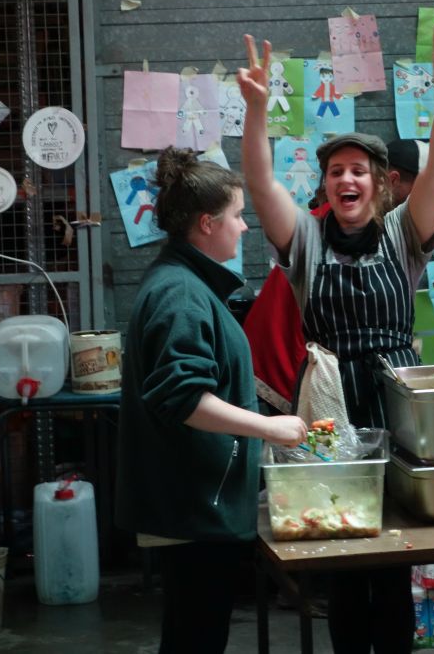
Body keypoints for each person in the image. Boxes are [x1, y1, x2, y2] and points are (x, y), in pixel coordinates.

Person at [239, 23, 434, 653]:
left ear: (381, 182)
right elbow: (260, 186)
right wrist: (258, 112)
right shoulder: (305, 241)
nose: (348, 180)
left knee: (392, 561)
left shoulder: (402, 236)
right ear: (326, 184)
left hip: (397, 406)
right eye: (337, 170)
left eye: (359, 171)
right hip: (329, 410)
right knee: (341, 559)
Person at [115, 147, 308, 654]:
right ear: (206, 223)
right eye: (238, 216)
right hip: (192, 506)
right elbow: (183, 399)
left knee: (194, 634)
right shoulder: (180, 294)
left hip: (199, 502)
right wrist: (272, 428)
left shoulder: (188, 284)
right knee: (195, 637)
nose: (245, 228)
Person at [242, 138, 430, 409]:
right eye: (337, 171)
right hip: (283, 366)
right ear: (391, 181)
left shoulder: (387, 239)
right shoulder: (319, 234)